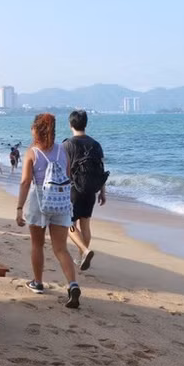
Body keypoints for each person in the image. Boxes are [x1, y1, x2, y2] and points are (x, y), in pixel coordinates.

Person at [15, 113, 81, 309]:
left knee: (37, 245)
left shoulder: (32, 152)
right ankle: (72, 284)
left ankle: (38, 282)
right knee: (61, 248)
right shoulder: (63, 150)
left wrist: (19, 207)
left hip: (39, 201)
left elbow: (26, 182)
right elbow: (67, 177)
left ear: (36, 130)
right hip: (60, 202)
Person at [63, 110, 108, 271]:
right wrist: (102, 191)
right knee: (86, 224)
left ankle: (85, 250)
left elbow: (63, 170)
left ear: (70, 125)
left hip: (74, 190)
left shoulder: (67, 144)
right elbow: (101, 170)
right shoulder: (96, 144)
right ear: (86, 124)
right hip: (91, 190)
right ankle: (81, 256)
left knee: (68, 223)